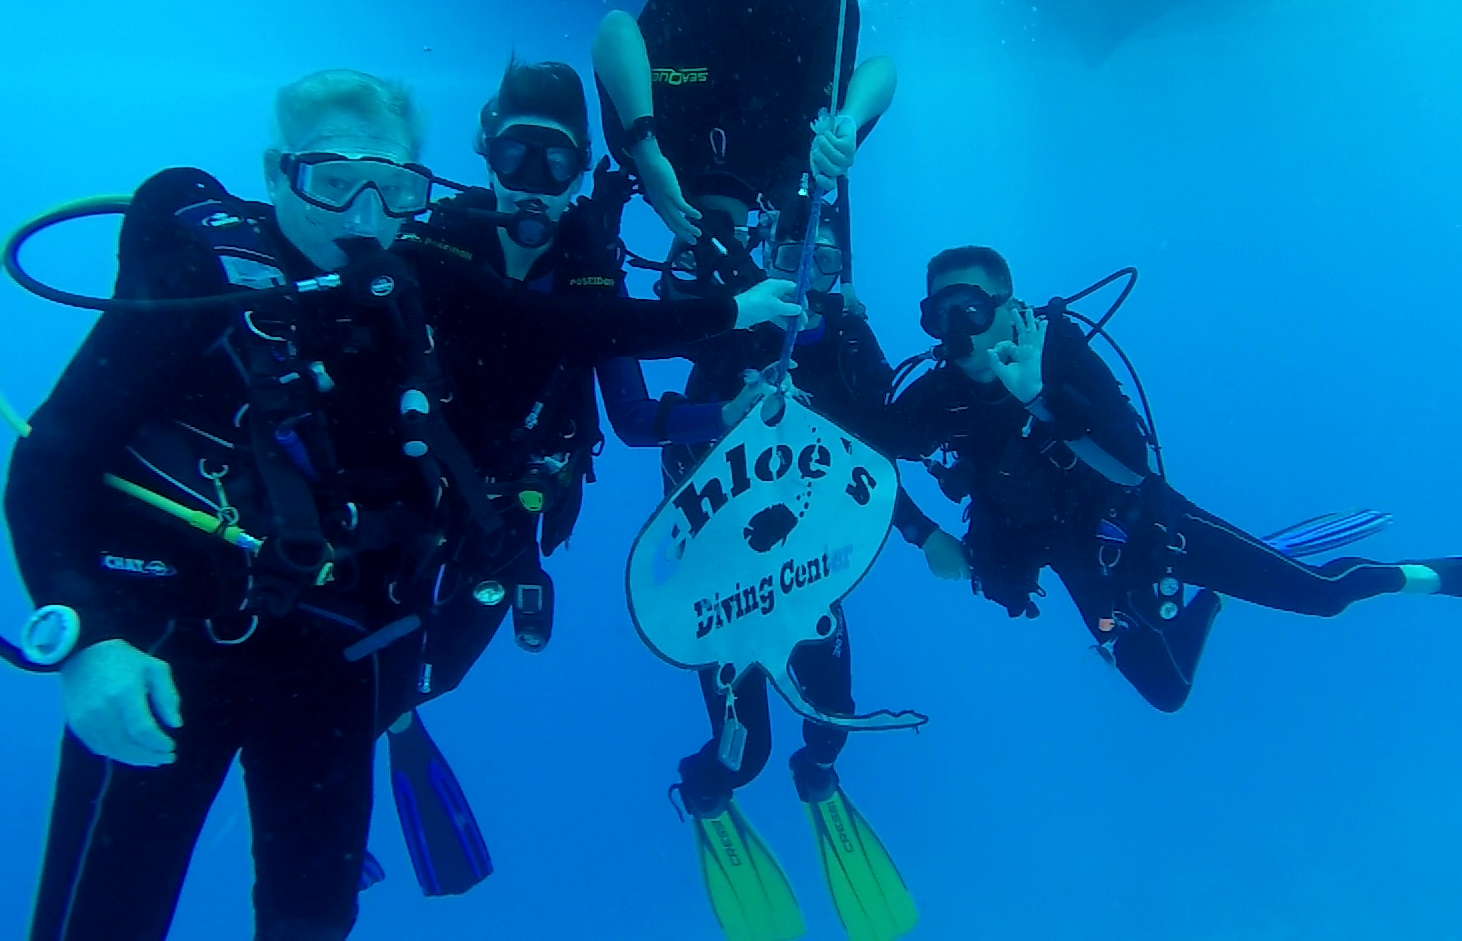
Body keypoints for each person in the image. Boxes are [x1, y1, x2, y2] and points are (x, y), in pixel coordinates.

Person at [4, 68, 802, 940]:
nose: (362, 212)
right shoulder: (197, 283)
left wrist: (735, 309)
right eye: (333, 179)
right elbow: (50, 462)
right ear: (278, 173)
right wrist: (88, 639)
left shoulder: (410, 279)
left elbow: (570, 329)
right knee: (105, 918)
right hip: (172, 650)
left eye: (391, 187)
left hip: (335, 659)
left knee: (312, 917)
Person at [888, 245, 1462, 714]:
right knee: (1166, 693)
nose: (957, 329)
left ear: (1008, 306)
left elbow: (1132, 471)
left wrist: (1038, 402)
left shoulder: (1061, 356)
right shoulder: (933, 397)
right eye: (938, 314)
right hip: (1072, 556)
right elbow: (856, 458)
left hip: (1147, 527)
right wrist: (924, 535)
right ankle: (1208, 599)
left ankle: (1449, 575)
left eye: (970, 307)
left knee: (1322, 597)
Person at [370, 59, 773, 897]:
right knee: (364, 646)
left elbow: (634, 419)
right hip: (408, 496)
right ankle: (360, 733)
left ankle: (395, 718)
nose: (531, 182)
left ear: (582, 169)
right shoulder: (436, 247)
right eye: (515, 155)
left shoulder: (591, 273)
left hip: (510, 518)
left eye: (555, 162)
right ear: (485, 153)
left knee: (439, 671)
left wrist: (725, 416)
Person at [658, 216, 949, 941]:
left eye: (822, 258)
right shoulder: (734, 333)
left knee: (833, 715)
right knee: (745, 753)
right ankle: (707, 789)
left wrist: (924, 533)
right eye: (791, 255)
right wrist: (733, 416)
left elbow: (870, 462)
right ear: (767, 256)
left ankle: (816, 776)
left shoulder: (849, 342)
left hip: (801, 574)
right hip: (721, 586)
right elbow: (674, 453)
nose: (806, 272)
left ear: (839, 267)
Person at [591, 0, 914, 300]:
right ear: (747, 267)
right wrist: (849, 124)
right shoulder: (794, 174)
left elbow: (614, 31)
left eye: (686, 272)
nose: (704, 256)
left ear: (663, 266)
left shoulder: (645, 156)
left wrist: (646, 150)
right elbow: (882, 71)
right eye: (718, 276)